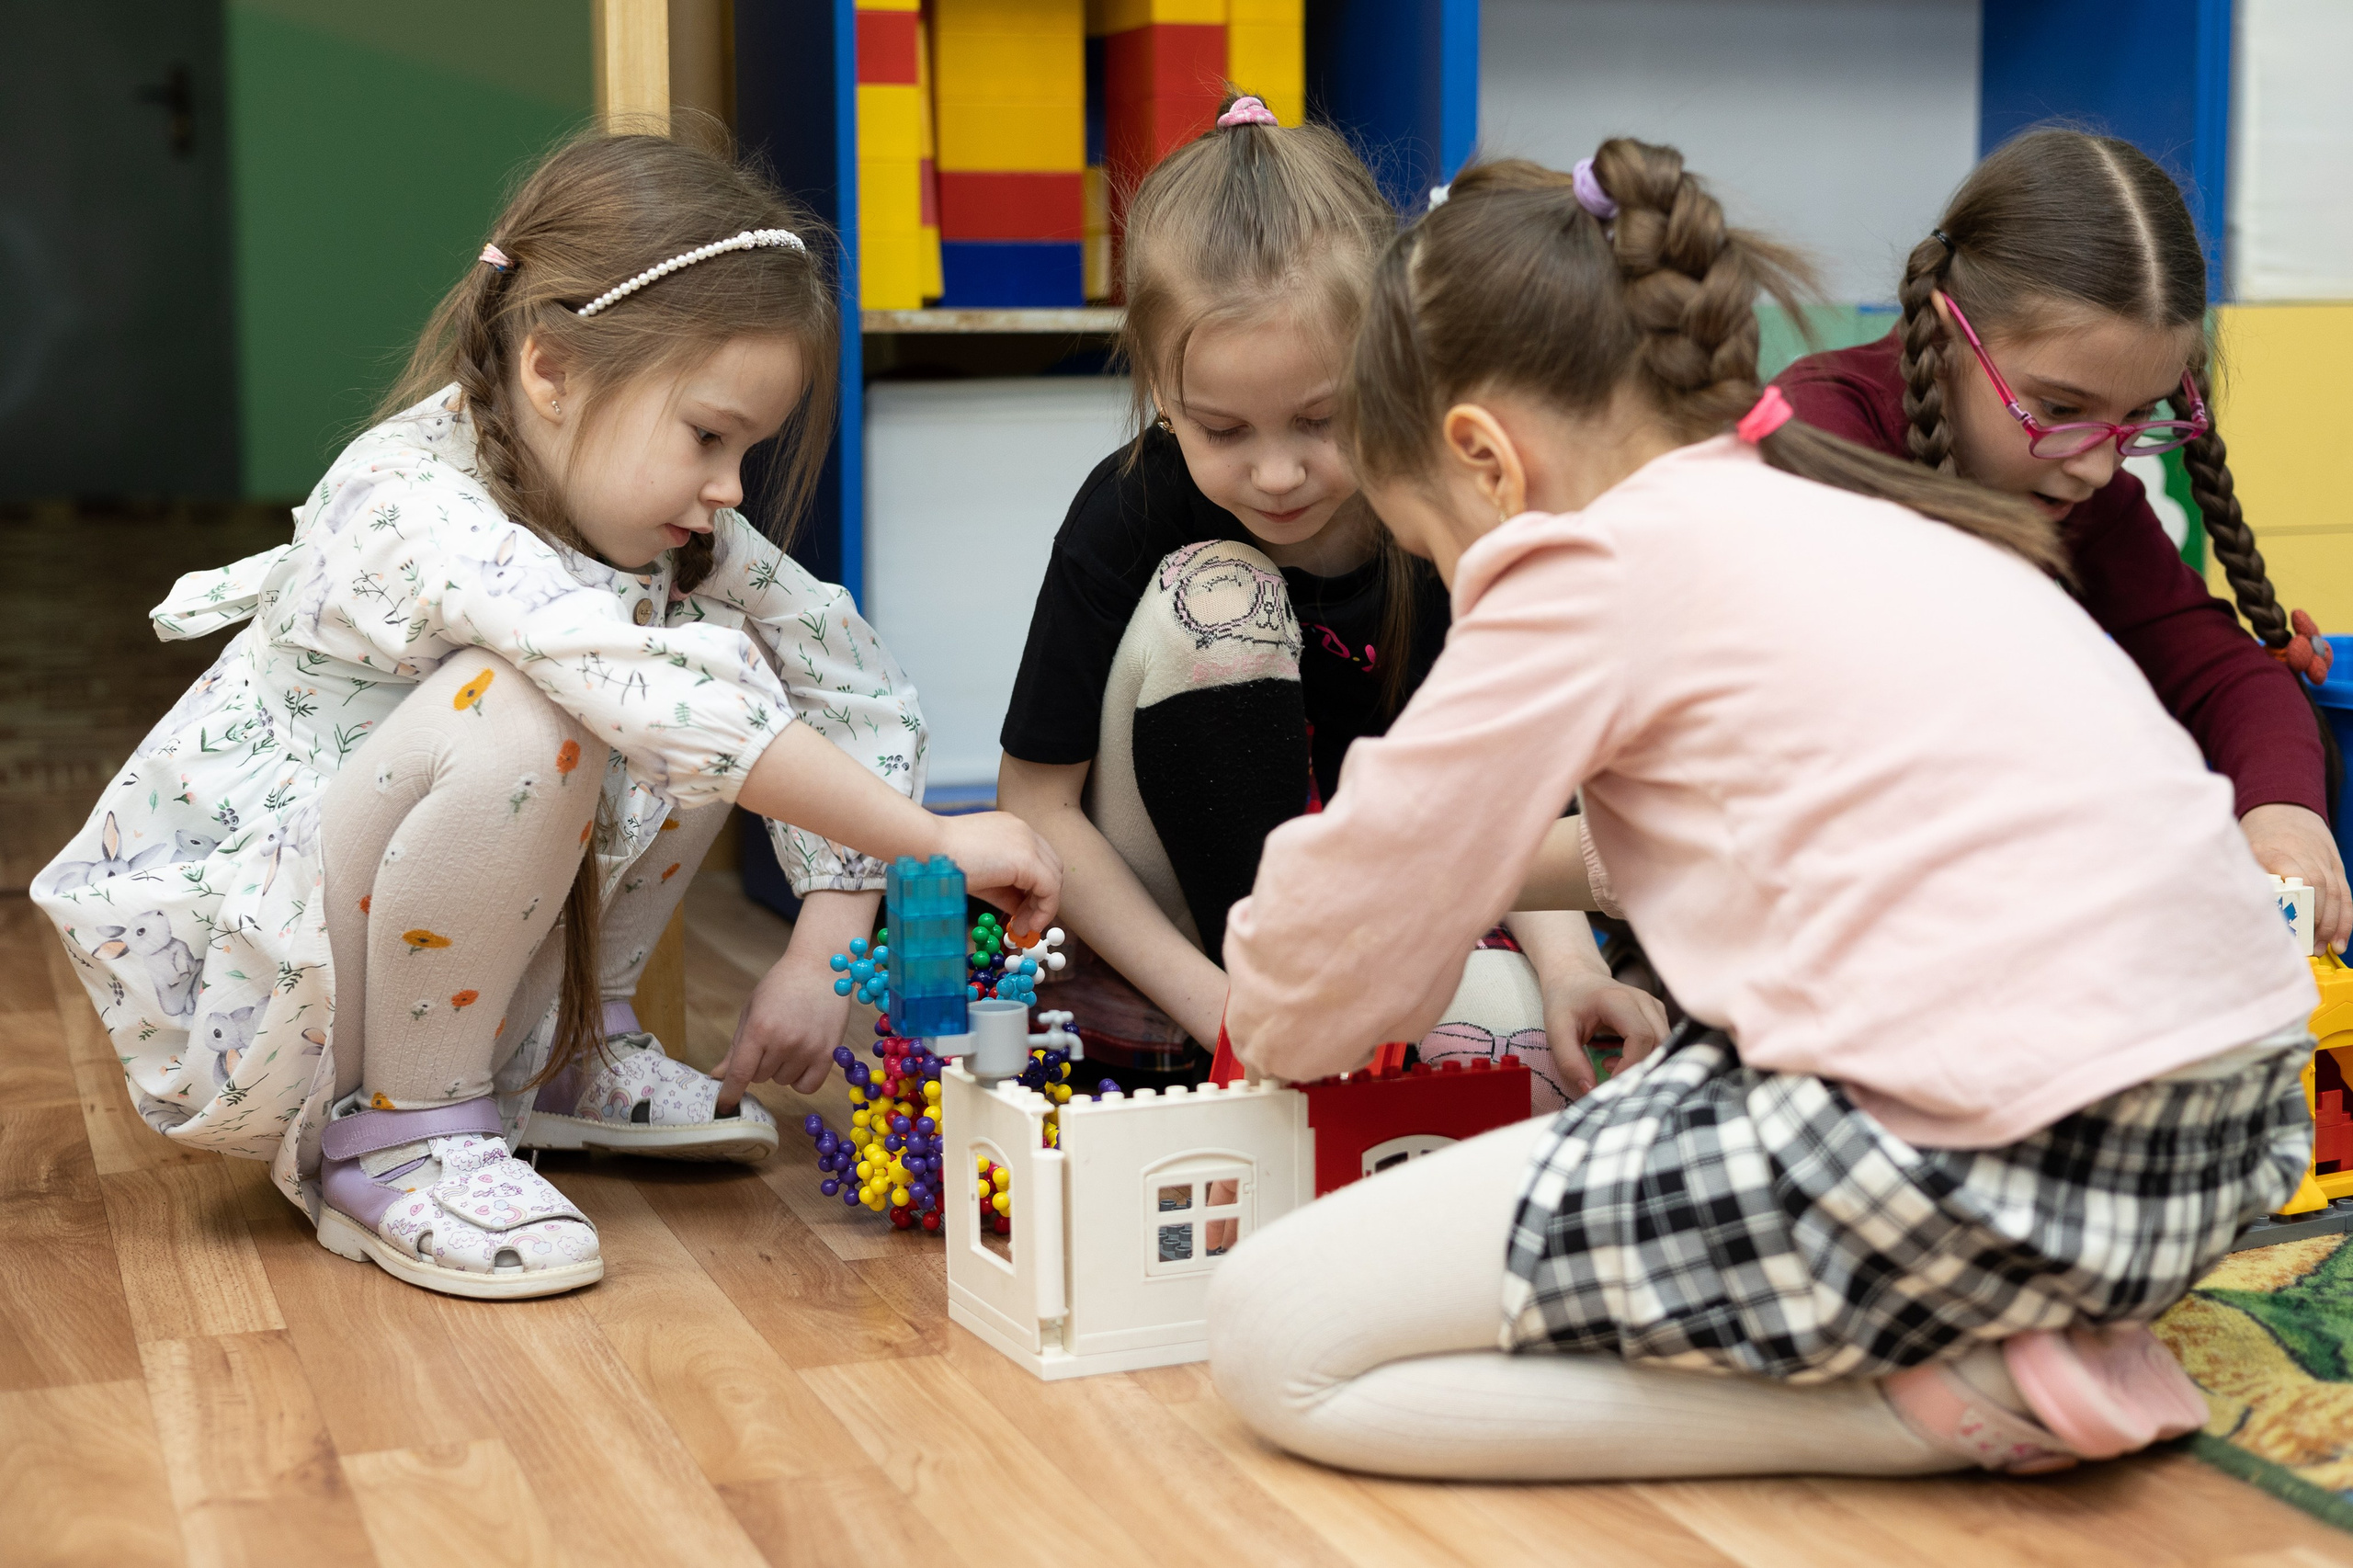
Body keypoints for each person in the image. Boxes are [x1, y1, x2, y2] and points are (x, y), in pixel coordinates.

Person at [1205, 143, 2313, 1481]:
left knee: (1278, 1333)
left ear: (1484, 459)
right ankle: (1999, 1345)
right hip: (2225, 1137)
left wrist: (1267, 997)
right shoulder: (1841, 504)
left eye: (1438, 550)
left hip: (2007, 1158)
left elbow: (1318, 989)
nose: (1462, 583)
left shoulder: (1583, 560)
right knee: (1656, 1120)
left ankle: (1927, 1404)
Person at [34, 131, 1058, 1300]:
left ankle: (565, 1049)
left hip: (410, 948)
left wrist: (827, 945)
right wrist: (933, 841)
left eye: (748, 449)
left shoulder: (669, 525)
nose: (729, 485)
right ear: (553, 371)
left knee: (699, 653)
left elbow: (848, 677)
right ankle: (406, 1130)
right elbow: (650, 692)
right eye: (707, 436)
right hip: (266, 983)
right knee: (544, 705)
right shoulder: (409, 499)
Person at [996, 94, 1663, 1099]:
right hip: (1179, 934)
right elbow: (1037, 803)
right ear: (1159, 396)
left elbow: (1496, 775)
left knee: (1529, 1057)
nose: (1276, 474)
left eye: (1321, 418)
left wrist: (1571, 969)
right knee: (1222, 590)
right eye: (1223, 430)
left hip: (1380, 907)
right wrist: (1220, 1008)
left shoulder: (1429, 515)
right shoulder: (1128, 508)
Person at [1777, 127, 2347, 949]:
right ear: (1946, 335)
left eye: (2138, 417)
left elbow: (2220, 669)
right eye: (2060, 410)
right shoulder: (1817, 437)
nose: (2095, 465)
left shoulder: (2075, 483)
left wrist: (2285, 819)